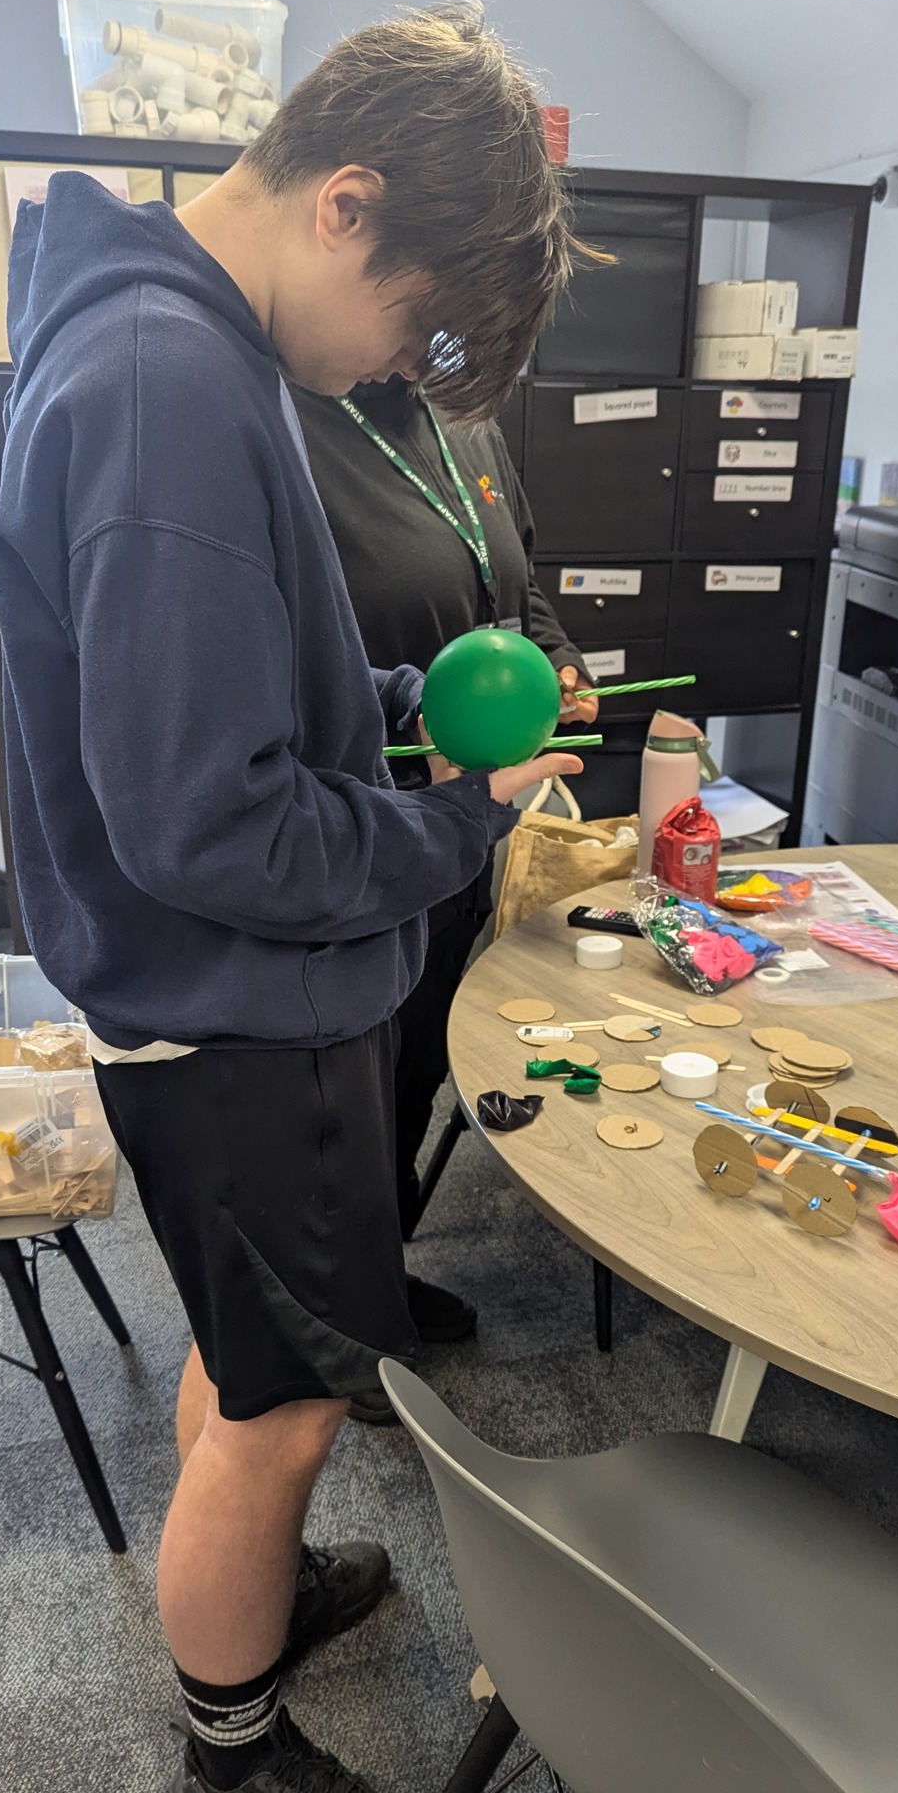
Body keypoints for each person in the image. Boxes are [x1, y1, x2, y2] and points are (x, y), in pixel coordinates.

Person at [0, 6, 583, 1793]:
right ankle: (228, 1758)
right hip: (233, 1004)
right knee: (289, 1405)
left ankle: (248, 1558)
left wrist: (396, 697)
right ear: (345, 206)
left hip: (219, 998)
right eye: (415, 329)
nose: (401, 372)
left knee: (255, 1365)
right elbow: (207, 820)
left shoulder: (186, 342)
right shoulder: (172, 378)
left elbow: (238, 679)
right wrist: (460, 826)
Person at [292, 373, 597, 1360]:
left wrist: (553, 660)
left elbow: (515, 582)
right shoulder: (291, 416)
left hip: (470, 814)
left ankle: (378, 1275)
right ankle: (334, 1327)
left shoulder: (462, 422)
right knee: (349, 1085)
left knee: (417, 1062)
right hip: (368, 814)